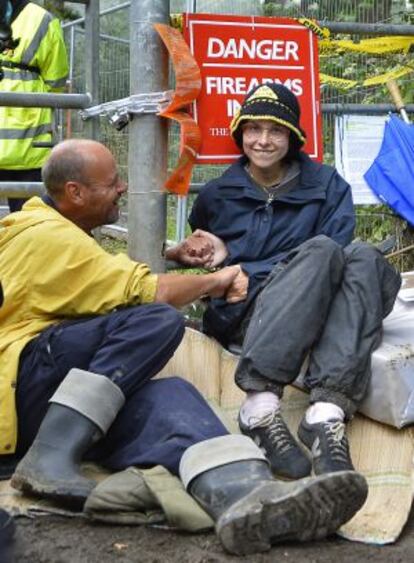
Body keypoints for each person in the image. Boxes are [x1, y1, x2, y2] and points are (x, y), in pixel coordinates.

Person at [0, 139, 368, 556]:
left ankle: (250, 499)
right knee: (155, 320)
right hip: (20, 384)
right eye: (113, 182)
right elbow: (147, 291)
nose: (123, 187)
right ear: (75, 192)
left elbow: (100, 277)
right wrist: (219, 279)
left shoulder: (60, 231)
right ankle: (49, 457)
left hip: (60, 395)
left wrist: (177, 254)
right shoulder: (48, 238)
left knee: (173, 397)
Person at [167, 83, 402, 481]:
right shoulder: (218, 194)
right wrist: (205, 254)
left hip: (315, 297)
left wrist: (245, 268)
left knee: (361, 257)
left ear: (292, 136)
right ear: (239, 133)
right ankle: (259, 406)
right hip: (249, 311)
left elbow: (336, 260)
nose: (262, 140)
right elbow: (215, 265)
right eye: (252, 129)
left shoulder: (327, 186)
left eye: (275, 130)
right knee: (325, 249)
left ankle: (326, 414)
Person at [0, 0, 69, 212]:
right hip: (28, 145)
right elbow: (56, 81)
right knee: (28, 223)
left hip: (27, 148)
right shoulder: (42, 19)